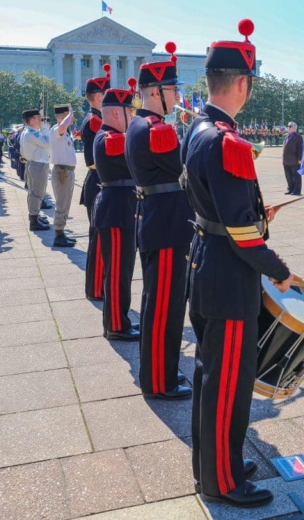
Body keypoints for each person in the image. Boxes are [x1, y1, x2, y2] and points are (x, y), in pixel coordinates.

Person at [181, 20, 292, 508]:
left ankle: (215, 462)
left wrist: (246, 215)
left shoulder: (197, 128)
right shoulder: (229, 141)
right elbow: (245, 236)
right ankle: (222, 482)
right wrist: (278, 267)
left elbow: (213, 206)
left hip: (205, 257)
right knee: (228, 382)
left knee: (211, 375)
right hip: (229, 273)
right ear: (242, 83)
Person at [125, 49, 193, 399]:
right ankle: (159, 380)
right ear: (155, 92)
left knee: (158, 303)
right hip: (166, 225)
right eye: (172, 90)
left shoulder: (138, 124)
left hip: (157, 219)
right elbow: (187, 167)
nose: (178, 97)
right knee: (165, 308)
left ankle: (159, 373)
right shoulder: (158, 129)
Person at [94, 83, 140, 341]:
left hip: (121, 209)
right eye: (129, 112)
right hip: (116, 211)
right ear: (115, 114)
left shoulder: (111, 135)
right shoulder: (109, 138)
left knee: (123, 271)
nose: (132, 117)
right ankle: (115, 325)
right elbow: (135, 145)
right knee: (117, 273)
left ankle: (120, 320)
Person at [81, 66, 112, 300]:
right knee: (99, 240)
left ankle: (96, 287)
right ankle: (96, 288)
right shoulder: (95, 120)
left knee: (99, 239)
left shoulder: (97, 118)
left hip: (98, 182)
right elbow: (95, 159)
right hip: (99, 181)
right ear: (99, 96)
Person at [20, 110, 71, 232]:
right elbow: (48, 143)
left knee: (37, 192)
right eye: (38, 118)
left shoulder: (30, 132)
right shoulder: (32, 133)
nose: (41, 121)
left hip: (37, 164)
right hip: (37, 165)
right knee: (36, 193)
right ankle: (34, 219)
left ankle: (35, 215)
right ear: (32, 120)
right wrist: (45, 130)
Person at [49, 104, 77, 247]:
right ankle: (59, 235)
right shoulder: (56, 130)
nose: (72, 119)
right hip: (62, 172)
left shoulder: (65, 133)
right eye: (69, 117)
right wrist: (69, 114)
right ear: (62, 117)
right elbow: (62, 126)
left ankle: (61, 232)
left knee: (65, 204)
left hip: (67, 171)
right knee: (61, 204)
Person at [282, 122, 302, 195]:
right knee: (288, 176)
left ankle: (297, 190)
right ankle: (290, 189)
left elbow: (300, 148)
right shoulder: (287, 136)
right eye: (288, 126)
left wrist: (299, 159)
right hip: (286, 160)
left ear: (294, 128)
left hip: (294, 159)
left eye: (290, 126)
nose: (288, 127)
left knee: (296, 176)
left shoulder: (298, 137)